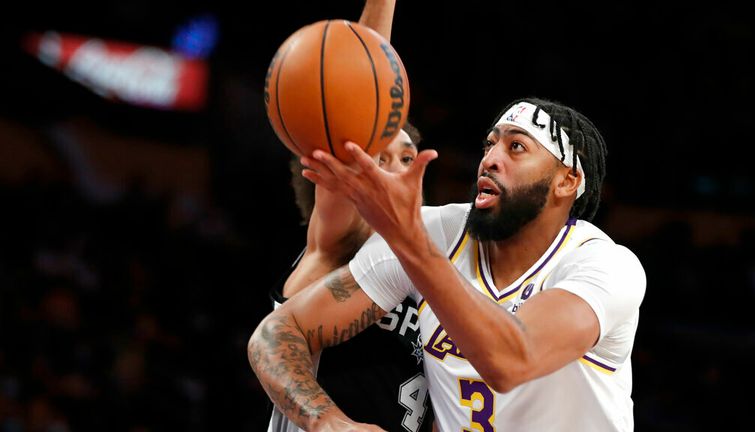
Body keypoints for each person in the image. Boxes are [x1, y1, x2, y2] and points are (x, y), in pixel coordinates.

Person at [249, 97, 646, 432]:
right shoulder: (436, 231)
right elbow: (277, 332)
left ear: (566, 181)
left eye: (516, 147)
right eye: (490, 144)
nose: (490, 160)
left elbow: (510, 362)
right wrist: (328, 422)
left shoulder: (605, 267)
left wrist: (412, 244)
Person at [265, 2, 434, 430]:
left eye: (406, 157)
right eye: (378, 157)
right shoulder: (342, 245)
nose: (394, 169)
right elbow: (352, 110)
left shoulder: (439, 273)